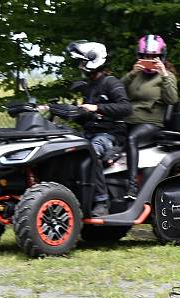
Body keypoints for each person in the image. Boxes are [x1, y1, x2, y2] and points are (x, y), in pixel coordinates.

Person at [66, 40, 132, 216]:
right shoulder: (90, 87)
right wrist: (71, 112)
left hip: (110, 135)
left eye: (82, 61)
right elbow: (88, 117)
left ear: (93, 61)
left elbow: (125, 108)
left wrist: (97, 108)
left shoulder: (111, 83)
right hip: (91, 133)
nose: (80, 65)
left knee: (91, 153)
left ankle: (102, 201)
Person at [120, 34, 179, 200]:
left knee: (132, 139)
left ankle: (132, 188)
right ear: (140, 56)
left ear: (161, 57)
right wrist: (132, 73)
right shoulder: (136, 75)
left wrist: (165, 75)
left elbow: (172, 99)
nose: (150, 60)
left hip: (150, 122)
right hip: (128, 120)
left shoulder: (166, 76)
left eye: (155, 57)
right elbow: (117, 90)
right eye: (147, 56)